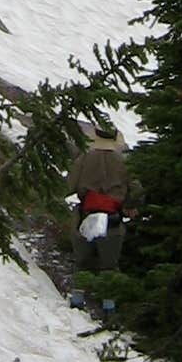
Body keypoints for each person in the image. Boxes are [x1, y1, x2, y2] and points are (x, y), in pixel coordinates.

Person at [66, 121, 142, 288]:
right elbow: (136, 190)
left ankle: (77, 301)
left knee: (81, 263)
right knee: (109, 267)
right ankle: (109, 306)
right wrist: (129, 206)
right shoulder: (124, 162)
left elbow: (69, 186)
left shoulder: (84, 158)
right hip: (113, 218)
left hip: (85, 214)